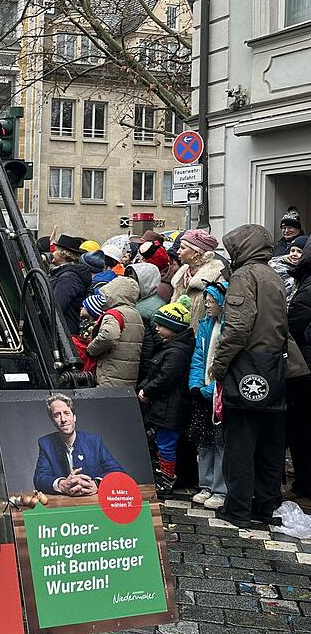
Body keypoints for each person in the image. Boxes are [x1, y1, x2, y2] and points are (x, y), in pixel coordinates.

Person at [210, 224, 305, 528]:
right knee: (270, 445)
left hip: (248, 367)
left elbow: (237, 328)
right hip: (276, 367)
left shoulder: (243, 276)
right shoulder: (274, 275)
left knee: (240, 443)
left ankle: (237, 508)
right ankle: (265, 506)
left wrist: (219, 365)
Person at [137, 302, 195, 494]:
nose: (157, 328)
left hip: (171, 407)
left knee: (166, 444)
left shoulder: (177, 352)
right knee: (162, 443)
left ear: (173, 327)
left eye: (161, 325)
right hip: (165, 406)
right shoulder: (171, 347)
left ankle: (167, 480)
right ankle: (164, 476)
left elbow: (165, 377)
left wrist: (147, 391)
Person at [33, 394, 124, 496]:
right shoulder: (46, 444)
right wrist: (61, 484)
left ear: (74, 417)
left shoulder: (94, 441)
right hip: (65, 506)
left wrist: (97, 484)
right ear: (52, 421)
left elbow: (118, 472)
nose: (63, 419)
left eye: (67, 413)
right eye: (57, 415)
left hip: (93, 502)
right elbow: (39, 479)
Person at [189, 282, 229, 510]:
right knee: (204, 441)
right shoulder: (205, 325)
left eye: (212, 301)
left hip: (217, 393)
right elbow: (198, 357)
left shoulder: (226, 328)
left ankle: (220, 488)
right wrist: (195, 384)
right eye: (207, 301)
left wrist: (210, 388)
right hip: (203, 390)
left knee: (220, 441)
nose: (207, 305)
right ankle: (205, 484)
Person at [85, 276, 144, 388]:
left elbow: (109, 336)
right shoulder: (136, 315)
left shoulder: (114, 314)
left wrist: (91, 349)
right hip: (128, 376)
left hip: (109, 374)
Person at [286, 248, 311, 500]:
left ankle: (304, 484)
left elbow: (295, 325)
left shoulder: (306, 289)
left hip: (305, 368)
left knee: (302, 429)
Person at [171, 230, 225, 332]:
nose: (178, 251)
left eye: (182, 248)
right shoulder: (183, 274)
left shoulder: (215, 277)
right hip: (180, 336)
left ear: (196, 252)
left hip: (200, 337)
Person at [49, 235, 91, 335]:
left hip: (62, 332)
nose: (53, 253)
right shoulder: (63, 274)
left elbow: (56, 307)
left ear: (63, 254)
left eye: (56, 250)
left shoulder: (68, 278)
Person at [269, 235, 307, 303]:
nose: (294, 254)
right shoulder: (276, 265)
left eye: (299, 252)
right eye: (292, 250)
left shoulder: (304, 271)